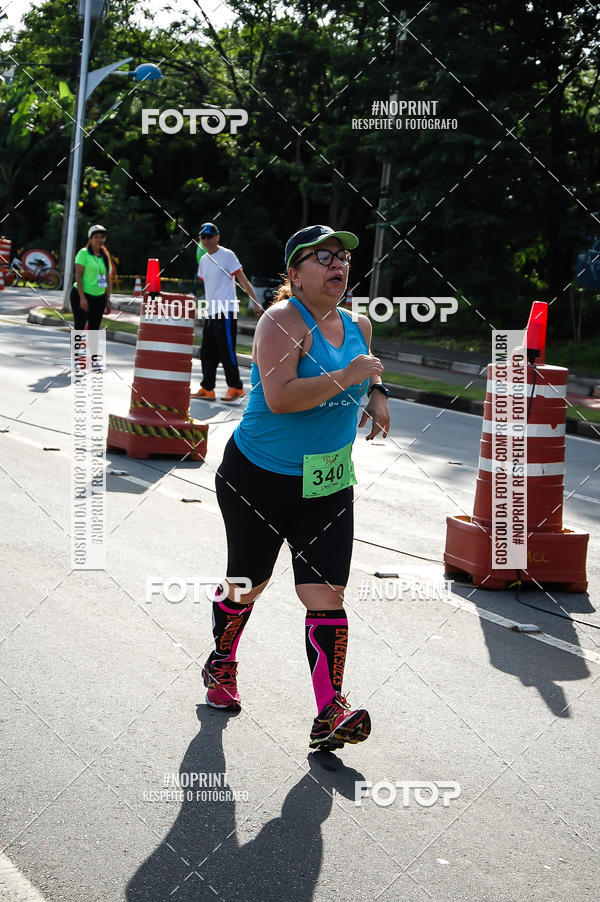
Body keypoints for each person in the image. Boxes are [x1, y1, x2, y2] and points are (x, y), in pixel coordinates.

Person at [202, 224, 391, 751]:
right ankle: (221, 662)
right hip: (258, 478)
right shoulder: (281, 320)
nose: (338, 265)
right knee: (248, 583)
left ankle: (330, 711)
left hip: (327, 482)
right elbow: (281, 397)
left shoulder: (358, 323)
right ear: (294, 274)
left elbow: (366, 368)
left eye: (343, 258)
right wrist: (351, 378)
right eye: (323, 257)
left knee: (326, 594)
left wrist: (376, 392)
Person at [191, 222, 261, 403]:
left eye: (209, 236)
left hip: (227, 311)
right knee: (206, 351)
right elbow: (207, 287)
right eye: (203, 237)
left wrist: (255, 303)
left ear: (217, 237)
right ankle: (207, 388)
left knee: (226, 350)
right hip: (211, 312)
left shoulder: (227, 255)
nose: (206, 240)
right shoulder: (204, 260)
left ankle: (236, 387)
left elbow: (244, 281)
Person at [70, 224, 111, 330]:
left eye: (102, 237)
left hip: (99, 297)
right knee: (79, 327)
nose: (99, 240)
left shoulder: (105, 256)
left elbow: (107, 279)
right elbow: (78, 276)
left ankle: (93, 347)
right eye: (96, 237)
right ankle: (77, 347)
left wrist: (107, 299)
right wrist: (82, 298)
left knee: (95, 329)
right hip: (82, 295)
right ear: (91, 238)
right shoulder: (83, 253)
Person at [191, 229, 207, 298]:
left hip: (205, 264)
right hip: (200, 264)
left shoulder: (206, 243)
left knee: (204, 279)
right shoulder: (200, 242)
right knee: (198, 278)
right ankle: (194, 293)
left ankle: (205, 294)